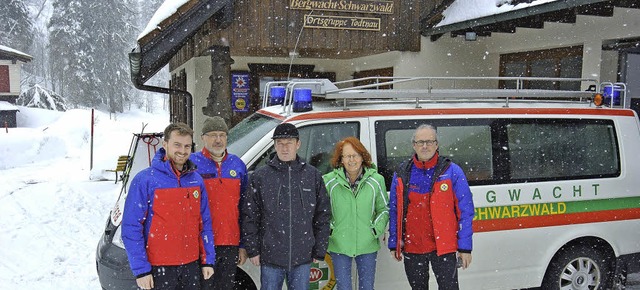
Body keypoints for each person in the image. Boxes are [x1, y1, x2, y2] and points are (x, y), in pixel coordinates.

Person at [121, 122, 215, 290]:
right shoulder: (145, 180)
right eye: (177, 144)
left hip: (190, 266)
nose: (183, 150)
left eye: (187, 146)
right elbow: (131, 227)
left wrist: (208, 260)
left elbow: (204, 222)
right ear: (165, 145)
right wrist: (141, 270)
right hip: (159, 268)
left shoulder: (196, 180)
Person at [241, 123, 332, 290]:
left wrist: (319, 249)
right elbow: (250, 215)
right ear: (274, 146)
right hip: (270, 257)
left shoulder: (312, 175)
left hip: (302, 257)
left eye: (289, 143)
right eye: (280, 143)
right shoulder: (261, 177)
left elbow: (323, 215)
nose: (284, 148)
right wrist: (253, 249)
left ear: (298, 144)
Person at [388, 124, 474, 290]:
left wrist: (465, 247)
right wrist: (395, 242)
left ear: (437, 144)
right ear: (414, 145)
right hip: (413, 247)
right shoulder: (402, 172)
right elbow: (394, 210)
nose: (425, 146)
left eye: (429, 141)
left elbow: (466, 211)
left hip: (443, 248)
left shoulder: (452, 171)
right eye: (420, 142)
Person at [322, 137, 389, 290]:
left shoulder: (376, 180)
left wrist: (374, 230)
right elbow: (322, 212)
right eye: (347, 156)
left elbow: (384, 209)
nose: (352, 160)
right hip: (339, 244)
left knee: (367, 287)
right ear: (341, 159)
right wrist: (331, 229)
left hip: (367, 244)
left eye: (356, 155)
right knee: (343, 287)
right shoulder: (328, 181)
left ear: (362, 157)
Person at [191, 116, 249, 290]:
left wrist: (242, 245)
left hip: (229, 243)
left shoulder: (237, 165)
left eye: (222, 135)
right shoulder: (192, 164)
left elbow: (245, 208)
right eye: (213, 135)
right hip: (201, 243)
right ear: (203, 138)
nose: (218, 140)